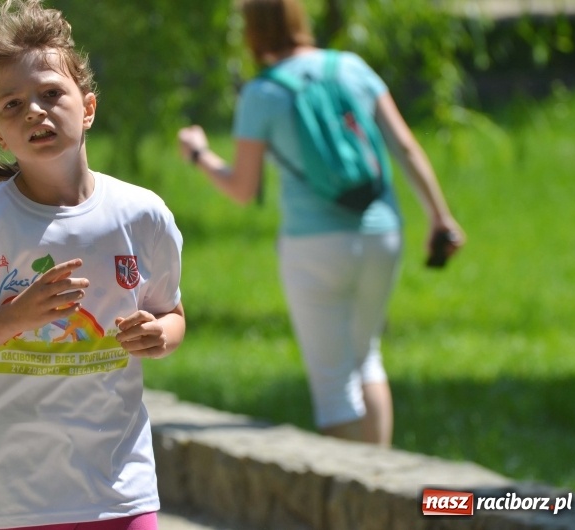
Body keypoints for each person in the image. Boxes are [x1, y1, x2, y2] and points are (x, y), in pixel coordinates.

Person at [0, 1, 185, 529]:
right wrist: (16, 317)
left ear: (87, 107)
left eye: (50, 94)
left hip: (119, 491)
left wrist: (160, 334)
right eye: (13, 105)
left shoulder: (143, 216)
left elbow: (172, 313)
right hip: (4, 500)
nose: (35, 111)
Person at [177, 0, 464, 447]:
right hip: (382, 233)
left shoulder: (262, 93)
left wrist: (199, 154)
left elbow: (242, 189)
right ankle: (383, 486)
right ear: (299, 18)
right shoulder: (351, 67)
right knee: (366, 357)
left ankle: (350, 499)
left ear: (251, 31)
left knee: (333, 384)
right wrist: (440, 218)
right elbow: (406, 146)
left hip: (314, 245)